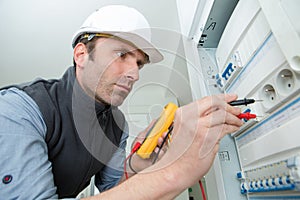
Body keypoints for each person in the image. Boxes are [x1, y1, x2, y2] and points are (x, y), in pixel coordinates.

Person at [0, 5, 243, 200]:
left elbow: (112, 189)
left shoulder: (118, 125)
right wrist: (176, 171)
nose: (134, 74)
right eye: (121, 55)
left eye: (138, 63)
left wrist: (139, 163)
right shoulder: (18, 109)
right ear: (81, 55)